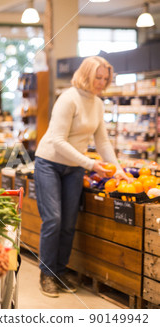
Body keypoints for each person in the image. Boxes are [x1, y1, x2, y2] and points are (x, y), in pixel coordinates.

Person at [34, 56, 129, 298]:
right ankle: (46, 274)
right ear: (85, 74)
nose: (101, 82)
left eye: (105, 79)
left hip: (74, 168)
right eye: (98, 77)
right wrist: (91, 164)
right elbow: (57, 140)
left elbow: (102, 141)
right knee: (53, 219)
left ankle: (59, 271)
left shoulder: (97, 103)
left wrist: (116, 167)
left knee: (68, 222)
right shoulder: (68, 99)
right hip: (50, 164)